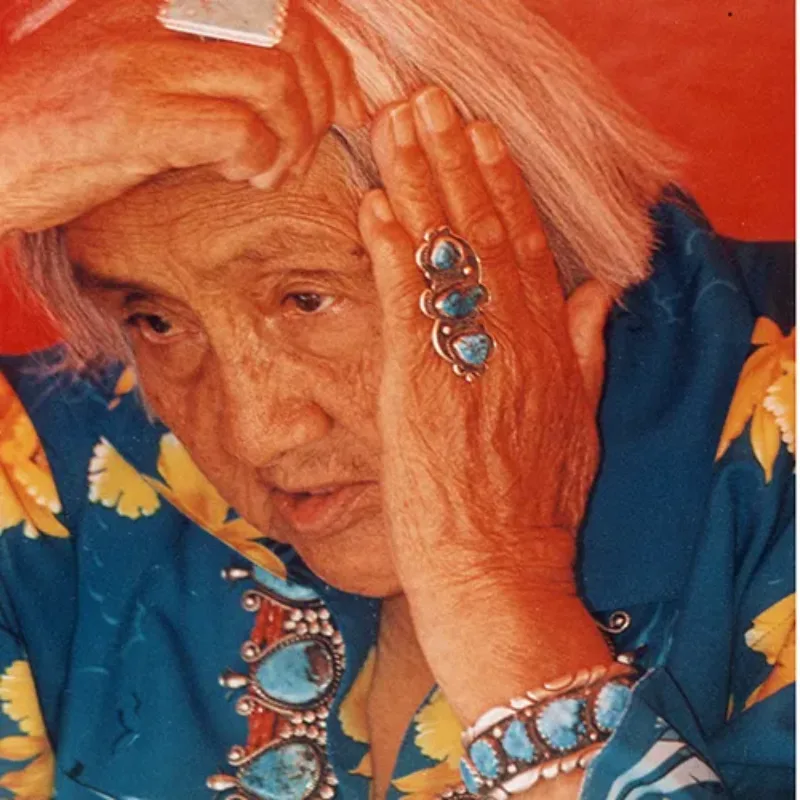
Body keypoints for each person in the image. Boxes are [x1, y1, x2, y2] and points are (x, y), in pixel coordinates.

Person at [0, 0, 794, 798]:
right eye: (158, 320)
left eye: (306, 299)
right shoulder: (61, 464)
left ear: (535, 235)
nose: (258, 433)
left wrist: (496, 585)